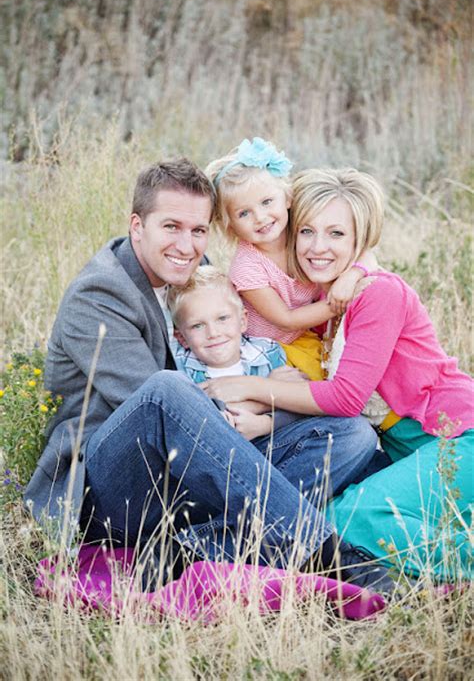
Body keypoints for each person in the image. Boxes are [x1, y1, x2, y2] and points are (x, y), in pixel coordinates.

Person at [24, 158, 391, 591]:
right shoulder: (100, 294)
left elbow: (314, 246)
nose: (187, 244)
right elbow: (165, 409)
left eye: (198, 230)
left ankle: (194, 548)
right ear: (137, 225)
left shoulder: (197, 276)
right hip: (114, 486)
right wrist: (270, 396)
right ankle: (321, 550)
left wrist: (359, 269)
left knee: (351, 434)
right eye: (172, 227)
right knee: (165, 388)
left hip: (199, 465)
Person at [201, 167, 474, 581]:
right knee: (329, 518)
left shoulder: (377, 292)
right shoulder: (321, 305)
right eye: (307, 232)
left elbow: (345, 398)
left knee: (350, 518)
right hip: (412, 449)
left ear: (358, 240)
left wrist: (248, 386)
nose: (317, 248)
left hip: (456, 435)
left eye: (336, 235)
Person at [205, 138, 375, 380]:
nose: (261, 217)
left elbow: (366, 253)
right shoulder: (247, 267)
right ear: (230, 225)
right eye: (244, 213)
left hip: (306, 335)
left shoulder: (303, 234)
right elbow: (286, 320)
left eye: (266, 202)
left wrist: (351, 278)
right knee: (327, 383)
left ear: (287, 198)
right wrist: (338, 301)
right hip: (272, 348)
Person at [168, 264, 301, 441]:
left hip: (271, 445)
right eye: (197, 326)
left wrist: (265, 423)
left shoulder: (268, 354)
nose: (213, 333)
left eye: (222, 318)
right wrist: (268, 397)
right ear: (182, 338)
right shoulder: (179, 370)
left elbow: (298, 406)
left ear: (243, 321)